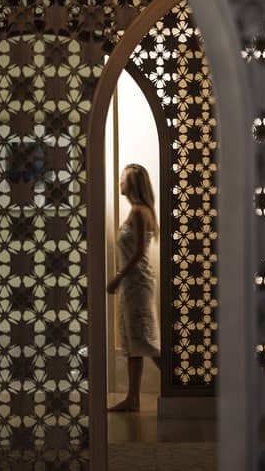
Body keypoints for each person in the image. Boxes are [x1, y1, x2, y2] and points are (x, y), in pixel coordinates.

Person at [107, 163, 161, 412]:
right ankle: (133, 398)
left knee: (146, 341)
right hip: (133, 284)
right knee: (133, 342)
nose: (119, 182)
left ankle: (182, 382)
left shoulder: (139, 212)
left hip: (137, 283)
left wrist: (118, 277)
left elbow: (139, 251)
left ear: (132, 183)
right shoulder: (137, 211)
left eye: (122, 178)